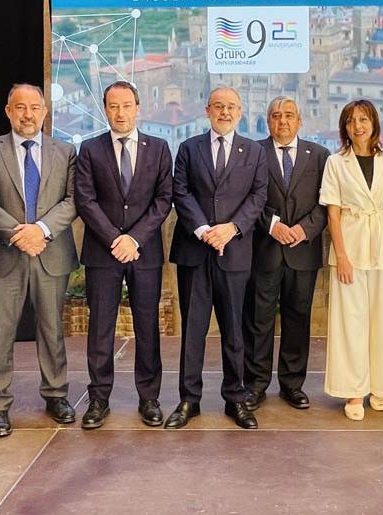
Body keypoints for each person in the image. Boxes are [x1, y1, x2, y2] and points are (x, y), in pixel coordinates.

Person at [166, 86, 268, 430]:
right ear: (207, 110)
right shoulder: (188, 148)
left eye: (232, 107)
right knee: (193, 329)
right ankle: (188, 400)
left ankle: (235, 399)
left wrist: (232, 229)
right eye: (219, 106)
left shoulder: (253, 151)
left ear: (240, 112)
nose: (225, 112)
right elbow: (180, 191)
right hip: (196, 250)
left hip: (235, 252)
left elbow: (258, 195)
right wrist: (205, 229)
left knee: (235, 331)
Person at [0, 83, 79, 436]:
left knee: (52, 329)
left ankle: (56, 395)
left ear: (45, 111)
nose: (28, 114)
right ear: (8, 111)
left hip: (50, 251)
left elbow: (72, 200)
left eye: (35, 107)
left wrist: (40, 230)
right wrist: (18, 233)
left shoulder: (65, 151)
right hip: (5, 252)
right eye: (20, 107)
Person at [74, 81, 173, 429]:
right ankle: (99, 399)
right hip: (103, 252)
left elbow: (164, 200)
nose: (121, 112)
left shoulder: (159, 148)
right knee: (101, 327)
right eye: (114, 106)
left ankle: (149, 398)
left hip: (144, 253)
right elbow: (85, 200)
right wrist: (116, 238)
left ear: (138, 107)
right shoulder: (89, 149)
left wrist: (135, 239)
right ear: (105, 109)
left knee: (147, 326)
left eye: (127, 105)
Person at [319, 99, 383, 421]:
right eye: (352, 120)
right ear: (344, 127)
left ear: (374, 123)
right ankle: (354, 390)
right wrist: (341, 256)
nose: (358, 126)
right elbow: (333, 212)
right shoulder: (335, 162)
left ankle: (381, 385)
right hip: (350, 249)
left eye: (364, 119)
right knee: (350, 323)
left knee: (382, 320)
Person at [243, 96, 329, 410]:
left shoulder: (319, 155)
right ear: (268, 121)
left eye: (289, 115)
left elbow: (326, 203)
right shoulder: (253, 152)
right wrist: (272, 224)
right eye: (276, 116)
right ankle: (255, 385)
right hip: (264, 250)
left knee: (298, 319)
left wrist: (305, 229)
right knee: (258, 320)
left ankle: (293, 385)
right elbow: (247, 197)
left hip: (302, 251)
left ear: (300, 120)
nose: (283, 121)